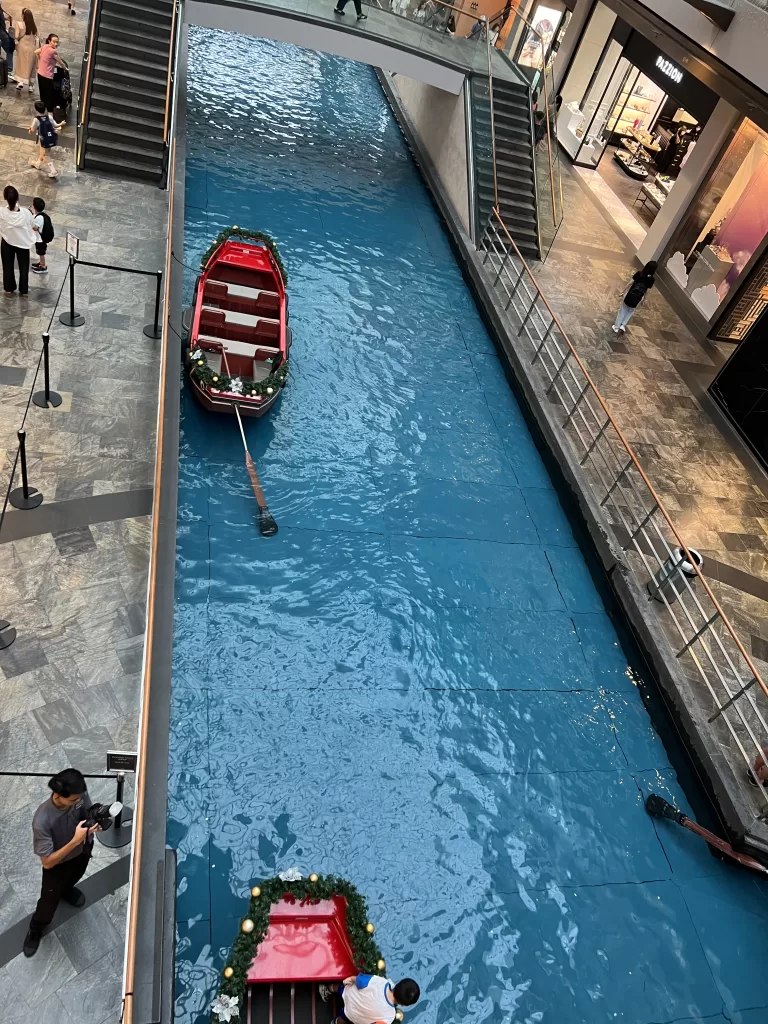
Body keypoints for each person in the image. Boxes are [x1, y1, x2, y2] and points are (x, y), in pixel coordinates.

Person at [23, 768, 100, 958]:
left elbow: (87, 812)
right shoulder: (42, 821)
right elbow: (47, 862)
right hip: (58, 866)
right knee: (48, 904)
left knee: (76, 876)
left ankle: (66, 890)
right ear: (57, 795)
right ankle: (36, 927)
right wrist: (75, 840)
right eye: (72, 800)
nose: (77, 801)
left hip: (82, 851)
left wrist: (94, 822)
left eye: (79, 798)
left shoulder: (79, 795)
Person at [318, 975, 420, 1024]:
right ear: (404, 1005)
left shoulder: (381, 982)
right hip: (351, 1014)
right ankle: (335, 1022)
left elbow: (359, 980)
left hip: (348, 994)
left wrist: (351, 979)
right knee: (345, 1020)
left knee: (342, 988)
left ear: (398, 984)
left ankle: (327, 989)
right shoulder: (390, 1016)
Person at [0, 185, 36, 296]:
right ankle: (24, 289)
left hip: (7, 242)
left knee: (7, 266)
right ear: (17, 198)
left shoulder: (1, 212)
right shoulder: (26, 213)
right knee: (24, 267)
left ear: (5, 198)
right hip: (23, 243)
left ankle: (9, 287)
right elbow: (33, 225)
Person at [612, 260, 657, 333]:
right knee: (630, 311)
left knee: (622, 310)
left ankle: (616, 327)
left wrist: (623, 291)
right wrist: (644, 300)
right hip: (638, 298)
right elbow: (646, 291)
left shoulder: (639, 274)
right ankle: (623, 325)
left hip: (630, 295)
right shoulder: (652, 280)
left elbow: (630, 283)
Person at [29, 99, 63, 178]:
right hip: (50, 138)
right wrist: (61, 123)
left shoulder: (36, 120)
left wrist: (30, 130)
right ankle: (38, 164)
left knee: (45, 155)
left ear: (36, 110)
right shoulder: (49, 117)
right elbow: (56, 125)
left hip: (43, 140)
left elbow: (31, 131)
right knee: (42, 152)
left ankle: (53, 171)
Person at [35, 33, 63, 113]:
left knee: (42, 92)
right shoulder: (53, 51)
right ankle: (49, 111)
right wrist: (65, 68)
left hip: (40, 73)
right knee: (49, 94)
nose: (56, 44)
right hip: (47, 76)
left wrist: (40, 59)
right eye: (54, 42)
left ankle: (42, 108)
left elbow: (36, 52)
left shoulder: (45, 47)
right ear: (49, 41)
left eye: (57, 42)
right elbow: (60, 62)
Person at [13, 7, 37, 93]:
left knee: (21, 64)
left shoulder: (19, 24)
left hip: (22, 47)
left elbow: (16, 36)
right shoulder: (34, 26)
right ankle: (31, 86)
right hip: (32, 48)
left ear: (23, 15)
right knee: (31, 66)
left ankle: (20, 82)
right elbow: (37, 37)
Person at [31, 196, 53, 274]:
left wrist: (30, 223)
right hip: (39, 239)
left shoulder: (39, 218)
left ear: (34, 207)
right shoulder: (41, 215)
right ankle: (40, 263)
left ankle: (43, 267)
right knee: (40, 252)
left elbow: (35, 228)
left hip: (40, 240)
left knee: (41, 253)